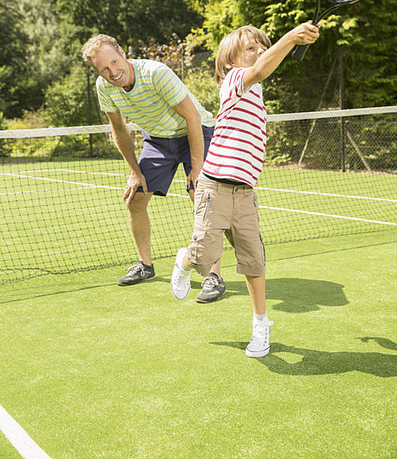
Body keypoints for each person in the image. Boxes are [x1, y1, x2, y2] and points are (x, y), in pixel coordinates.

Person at [170, 22, 320, 357]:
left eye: (261, 47)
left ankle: (260, 324)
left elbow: (266, 65)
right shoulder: (233, 83)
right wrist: (292, 37)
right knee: (205, 258)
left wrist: (294, 42)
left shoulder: (257, 99)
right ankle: (185, 259)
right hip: (215, 188)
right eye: (250, 49)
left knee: (255, 262)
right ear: (229, 62)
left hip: (245, 195)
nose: (258, 53)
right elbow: (261, 68)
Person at [81, 34, 225, 301]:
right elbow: (119, 129)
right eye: (104, 69)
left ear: (122, 52)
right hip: (159, 140)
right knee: (134, 199)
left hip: (197, 130)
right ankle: (145, 266)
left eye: (114, 61)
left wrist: (198, 168)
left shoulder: (156, 73)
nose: (113, 72)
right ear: (98, 72)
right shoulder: (105, 87)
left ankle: (213, 276)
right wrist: (135, 171)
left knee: (201, 197)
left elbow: (192, 116)